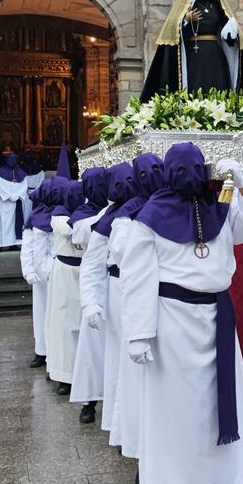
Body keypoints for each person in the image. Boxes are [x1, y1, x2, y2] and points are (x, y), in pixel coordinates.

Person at [121, 143, 243, 484]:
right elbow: (138, 277)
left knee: (221, 405)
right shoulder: (150, 217)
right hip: (173, 322)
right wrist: (139, 335)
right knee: (178, 410)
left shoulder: (220, 208)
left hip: (217, 318)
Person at [105, 153, 167, 459]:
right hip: (137, 299)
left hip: (168, 305)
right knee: (134, 380)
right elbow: (124, 256)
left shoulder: (172, 206)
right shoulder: (125, 218)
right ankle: (136, 443)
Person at [80, 163, 137, 450]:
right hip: (116, 291)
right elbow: (92, 264)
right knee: (117, 359)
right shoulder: (106, 217)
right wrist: (91, 301)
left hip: (144, 290)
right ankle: (120, 425)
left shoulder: (149, 208)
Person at [69, 167, 109, 424]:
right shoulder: (84, 215)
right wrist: (110, 212)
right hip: (95, 285)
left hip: (116, 284)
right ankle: (89, 401)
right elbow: (81, 233)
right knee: (92, 347)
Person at [46, 179, 85, 396]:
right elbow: (69, 230)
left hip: (84, 271)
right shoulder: (58, 214)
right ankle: (64, 375)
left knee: (82, 324)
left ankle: (81, 372)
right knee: (64, 325)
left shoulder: (88, 212)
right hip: (65, 272)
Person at [20, 179, 62, 370]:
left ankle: (56, 354)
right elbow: (27, 248)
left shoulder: (64, 214)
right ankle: (41, 351)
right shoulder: (35, 217)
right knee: (41, 314)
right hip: (40, 278)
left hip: (59, 272)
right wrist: (28, 270)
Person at [0, 152, 29, 251]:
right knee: (3, 223)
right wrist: (10, 196)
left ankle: (13, 244)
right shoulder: (0, 172)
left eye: (13, 160)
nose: (11, 162)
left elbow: (24, 186)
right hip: (5, 203)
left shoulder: (21, 173)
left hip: (16, 202)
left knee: (15, 223)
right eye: (10, 160)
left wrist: (17, 196)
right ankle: (0, 244)